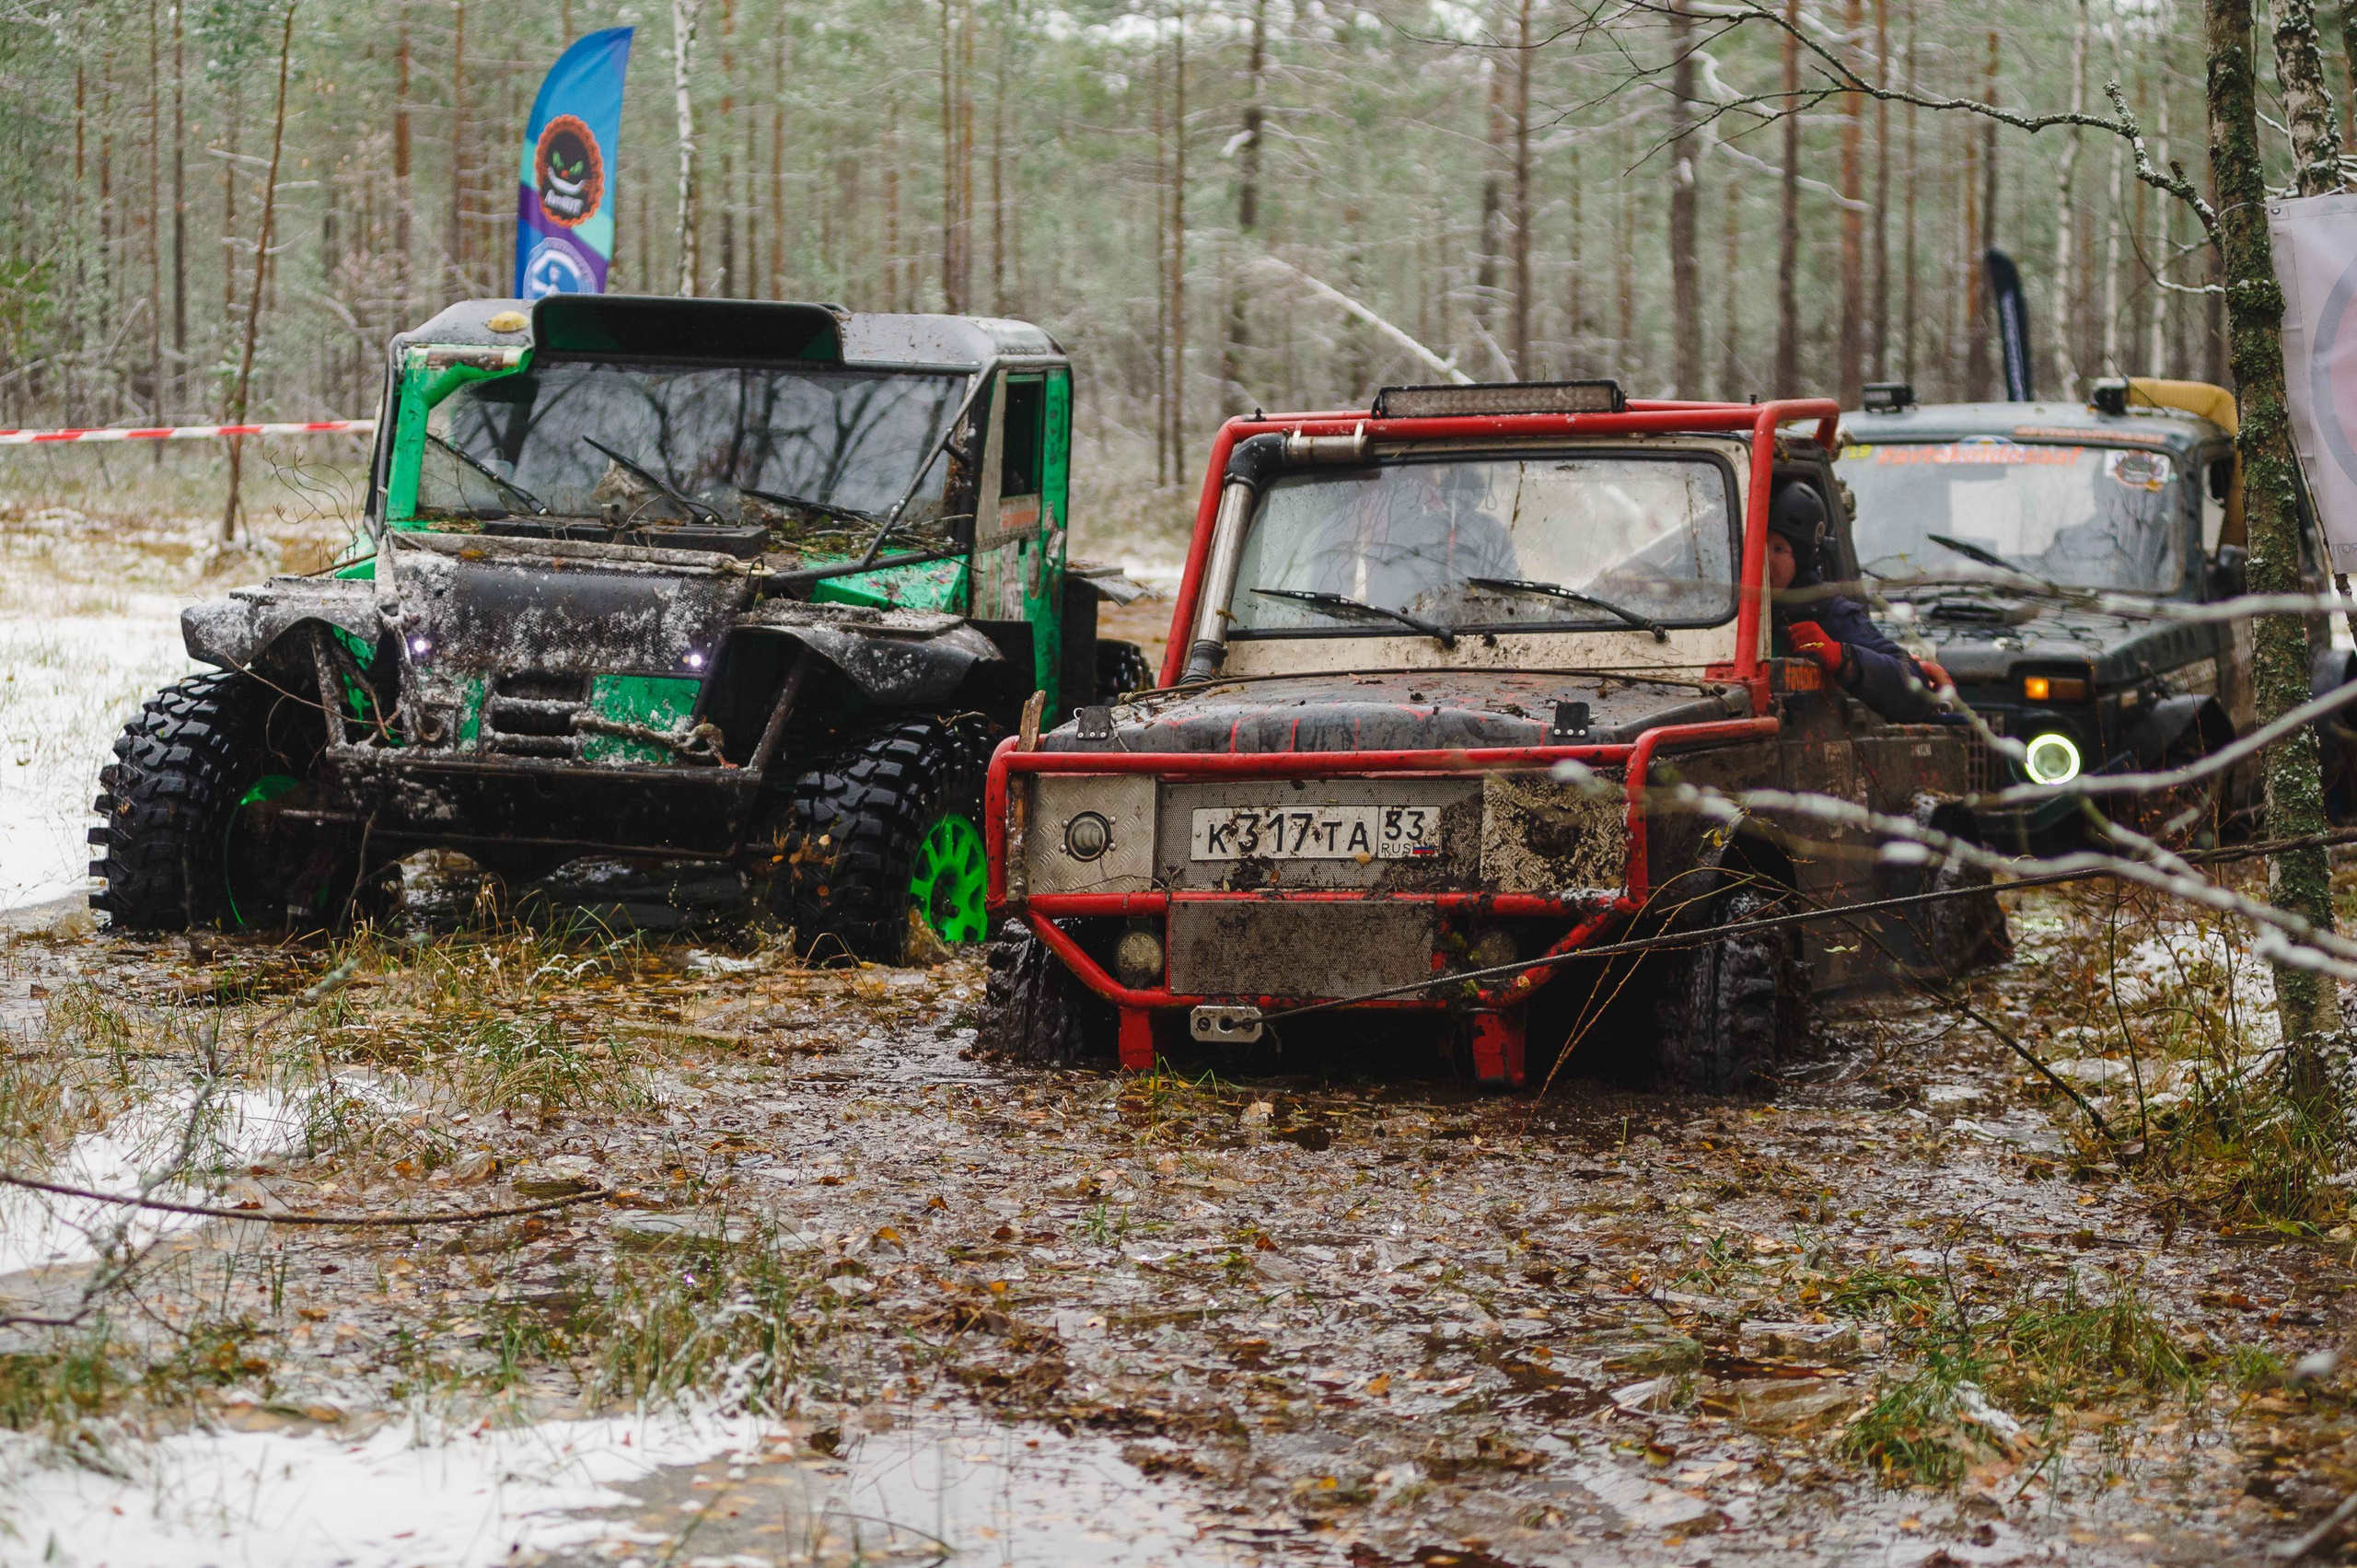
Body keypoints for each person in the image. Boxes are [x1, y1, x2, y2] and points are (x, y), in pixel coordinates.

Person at [1767, 480, 1953, 723]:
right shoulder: (1717, 612)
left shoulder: (1828, 613)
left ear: (1802, 558)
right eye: (1755, 545)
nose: (1764, 560)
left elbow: (1914, 688)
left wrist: (1843, 657)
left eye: (1779, 549)